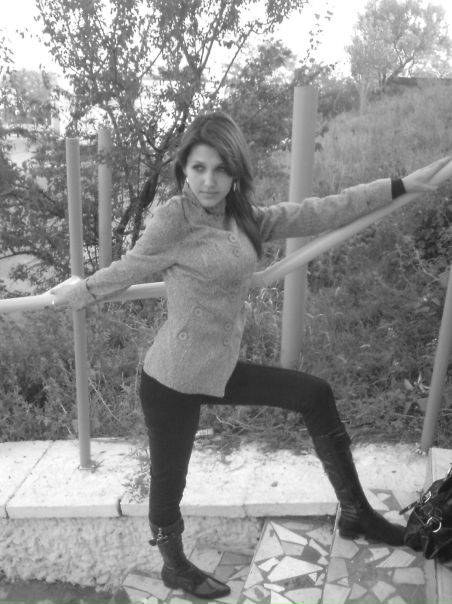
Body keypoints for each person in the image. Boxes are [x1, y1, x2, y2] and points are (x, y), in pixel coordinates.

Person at [51, 111, 449, 600]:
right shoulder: (175, 218)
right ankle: (174, 566)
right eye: (198, 168)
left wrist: (399, 186)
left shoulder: (242, 217)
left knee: (314, 394)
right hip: (172, 379)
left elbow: (317, 212)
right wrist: (81, 291)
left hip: (219, 369)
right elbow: (130, 268)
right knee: (169, 480)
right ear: (183, 170)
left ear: (235, 172)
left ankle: (356, 513)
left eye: (220, 169)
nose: (208, 181)